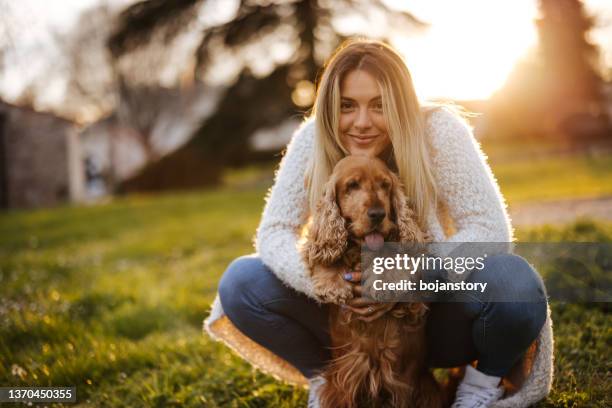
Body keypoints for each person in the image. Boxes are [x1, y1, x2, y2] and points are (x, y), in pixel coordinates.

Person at [204, 39, 553, 408]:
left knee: (516, 285)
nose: (362, 122)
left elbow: (489, 229)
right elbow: (274, 231)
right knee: (240, 282)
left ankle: (478, 388)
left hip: (434, 319)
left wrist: (410, 272)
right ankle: (328, 383)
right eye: (347, 107)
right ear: (330, 108)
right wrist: (329, 282)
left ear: (401, 104)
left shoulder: (440, 132)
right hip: (345, 321)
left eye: (379, 106)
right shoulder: (312, 139)